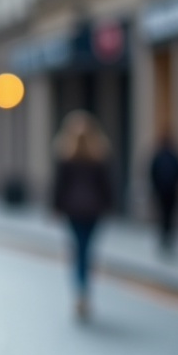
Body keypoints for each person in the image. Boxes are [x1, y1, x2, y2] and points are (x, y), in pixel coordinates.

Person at [51, 111, 113, 323]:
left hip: (73, 210)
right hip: (93, 210)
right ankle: (84, 290)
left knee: (76, 250)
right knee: (87, 250)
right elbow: (106, 187)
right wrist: (108, 207)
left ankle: (79, 291)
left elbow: (59, 187)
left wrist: (56, 207)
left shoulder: (66, 157)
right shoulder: (98, 158)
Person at [148, 128, 178, 259]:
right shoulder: (175, 155)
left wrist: (154, 188)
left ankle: (164, 238)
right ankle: (169, 238)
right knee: (170, 215)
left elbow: (151, 173)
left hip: (161, 192)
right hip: (172, 191)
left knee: (162, 215)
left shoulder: (158, 155)